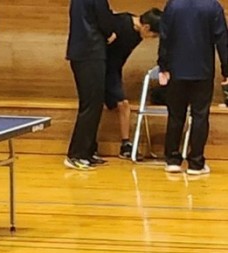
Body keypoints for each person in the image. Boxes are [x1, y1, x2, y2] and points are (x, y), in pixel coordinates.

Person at [158, 0, 228, 175]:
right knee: (200, 116)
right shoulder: (213, 6)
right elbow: (223, 40)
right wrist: (226, 70)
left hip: (176, 70)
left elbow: (164, 37)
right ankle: (196, 163)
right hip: (202, 70)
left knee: (175, 116)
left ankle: (172, 160)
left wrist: (163, 66)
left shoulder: (173, 5)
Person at [64, 0, 116, 171]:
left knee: (93, 104)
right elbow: (105, 20)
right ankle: (76, 154)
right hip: (90, 52)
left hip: (83, 52)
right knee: (90, 105)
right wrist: (111, 31)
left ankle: (87, 152)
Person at [105, 8, 163, 159]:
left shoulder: (138, 33)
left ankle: (126, 145)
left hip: (114, 70)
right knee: (120, 104)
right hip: (102, 68)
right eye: (154, 35)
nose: (152, 38)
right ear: (146, 27)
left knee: (123, 105)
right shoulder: (121, 23)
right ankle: (122, 144)